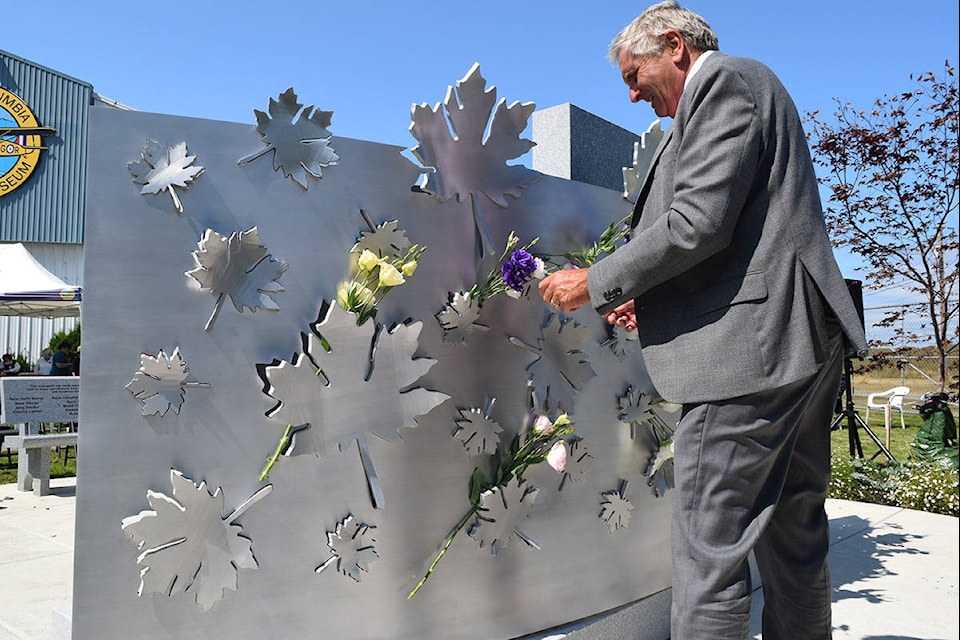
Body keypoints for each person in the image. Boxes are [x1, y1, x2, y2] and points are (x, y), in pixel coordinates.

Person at [538, 3, 868, 638]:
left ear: (674, 47)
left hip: (748, 354)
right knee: (792, 533)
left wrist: (596, 281)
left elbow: (699, 222)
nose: (633, 95)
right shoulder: (745, 91)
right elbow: (740, 233)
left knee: (708, 554)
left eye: (634, 75)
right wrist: (648, 295)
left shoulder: (725, 82)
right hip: (793, 343)